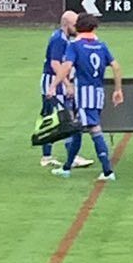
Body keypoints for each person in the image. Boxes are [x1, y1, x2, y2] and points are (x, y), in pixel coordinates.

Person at [53, 13, 124, 180]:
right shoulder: (101, 45)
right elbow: (116, 66)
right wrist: (117, 89)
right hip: (97, 93)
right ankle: (67, 167)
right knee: (77, 129)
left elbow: (66, 66)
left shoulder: (75, 46)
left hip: (84, 94)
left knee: (94, 129)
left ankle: (107, 171)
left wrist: (54, 84)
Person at [38, 10, 90, 169]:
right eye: (75, 25)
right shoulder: (59, 40)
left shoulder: (64, 38)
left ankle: (47, 156)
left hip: (54, 82)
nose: (78, 28)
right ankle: (70, 156)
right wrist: (67, 84)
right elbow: (55, 64)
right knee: (66, 117)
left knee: (52, 116)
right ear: (67, 25)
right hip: (55, 83)